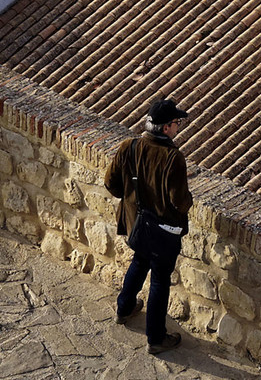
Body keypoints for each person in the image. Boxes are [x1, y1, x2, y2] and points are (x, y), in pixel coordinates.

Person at [106, 97, 193, 356]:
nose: (178, 126)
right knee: (160, 280)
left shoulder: (128, 146)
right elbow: (180, 202)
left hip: (136, 223)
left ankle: (124, 308)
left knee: (140, 260)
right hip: (164, 230)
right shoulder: (173, 157)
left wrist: (132, 200)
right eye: (176, 123)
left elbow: (111, 184)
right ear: (166, 128)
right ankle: (155, 337)